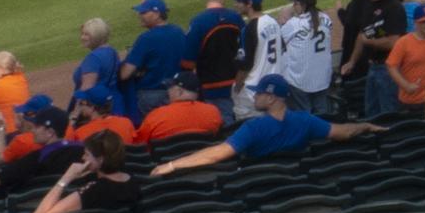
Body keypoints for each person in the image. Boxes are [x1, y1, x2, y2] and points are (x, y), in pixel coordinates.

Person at [149, 75, 382, 175]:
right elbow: (344, 132)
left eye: (258, 94)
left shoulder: (253, 128)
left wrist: (173, 165)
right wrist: (367, 126)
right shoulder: (305, 120)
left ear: (271, 98)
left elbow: (216, 154)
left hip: (258, 185)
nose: (255, 97)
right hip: (290, 180)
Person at [337, 0, 408, 119]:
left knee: (388, 113)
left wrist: (369, 42)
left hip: (390, 68)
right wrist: (352, 61)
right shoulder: (369, 4)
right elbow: (362, 35)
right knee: (372, 112)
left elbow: (394, 42)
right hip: (374, 67)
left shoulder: (394, 7)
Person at [33, 129, 140, 213]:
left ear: (100, 160)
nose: (83, 157)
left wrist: (66, 177)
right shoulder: (132, 179)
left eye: (87, 154)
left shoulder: (94, 190)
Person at [184, 0, 247, 123]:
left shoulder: (198, 21)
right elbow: (245, 50)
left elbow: (187, 61)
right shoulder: (236, 18)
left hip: (209, 86)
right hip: (235, 83)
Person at [274, 0, 339, 116]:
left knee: (303, 119)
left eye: (295, 3)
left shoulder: (294, 24)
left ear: (303, 5)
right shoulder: (326, 18)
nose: (293, 6)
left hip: (300, 81)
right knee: (322, 116)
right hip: (322, 79)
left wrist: (283, 20)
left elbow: (279, 41)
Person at [120, 0, 185, 117]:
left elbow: (125, 74)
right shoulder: (179, 31)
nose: (139, 14)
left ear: (156, 14)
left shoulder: (146, 38)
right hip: (177, 93)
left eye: (144, 12)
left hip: (151, 97)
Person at [130, 74, 223, 146]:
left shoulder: (156, 115)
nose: (168, 91)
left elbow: (140, 144)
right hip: (205, 164)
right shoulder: (213, 111)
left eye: (170, 88)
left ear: (179, 91)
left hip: (166, 166)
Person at [71, 19, 123, 121]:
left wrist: (76, 115)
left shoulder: (93, 58)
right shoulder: (112, 51)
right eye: (82, 34)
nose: (82, 38)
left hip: (97, 109)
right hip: (114, 102)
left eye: (87, 34)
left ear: (97, 36)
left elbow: (86, 89)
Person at [65, 87, 135, 146]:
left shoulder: (82, 132)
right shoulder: (126, 122)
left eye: (82, 103)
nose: (80, 107)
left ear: (92, 107)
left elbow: (66, 146)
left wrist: (72, 122)